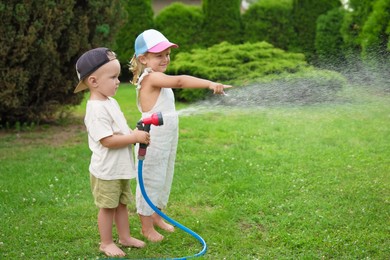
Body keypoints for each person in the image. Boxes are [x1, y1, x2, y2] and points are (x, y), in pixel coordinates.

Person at [129, 29, 231, 242]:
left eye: (167, 54)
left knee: (164, 178)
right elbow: (180, 82)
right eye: (159, 55)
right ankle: (146, 227)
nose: (165, 59)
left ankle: (157, 216)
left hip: (166, 139)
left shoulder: (158, 77)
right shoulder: (151, 78)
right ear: (143, 59)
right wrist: (210, 84)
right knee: (150, 180)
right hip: (152, 140)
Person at [74, 47, 150, 257]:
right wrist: (134, 138)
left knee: (121, 204)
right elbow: (107, 140)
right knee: (108, 207)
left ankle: (124, 237)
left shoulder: (110, 102)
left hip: (120, 168)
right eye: (113, 77)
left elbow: (119, 130)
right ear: (94, 81)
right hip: (107, 171)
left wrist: (133, 133)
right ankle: (106, 243)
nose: (118, 81)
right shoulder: (96, 110)